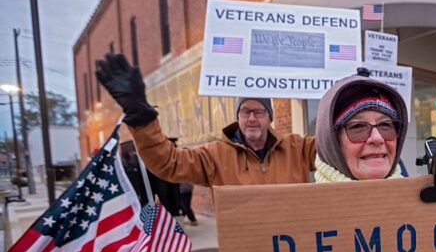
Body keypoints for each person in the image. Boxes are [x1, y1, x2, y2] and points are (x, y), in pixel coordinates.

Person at [95, 53, 316, 188]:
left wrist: (350, 95)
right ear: (237, 117)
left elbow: (337, 147)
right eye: (245, 111)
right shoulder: (215, 156)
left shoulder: (297, 148)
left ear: (269, 118)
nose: (251, 118)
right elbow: (168, 163)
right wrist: (142, 119)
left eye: (259, 112)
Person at [313, 71, 408, 182]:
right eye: (358, 126)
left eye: (385, 124)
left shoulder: (419, 196)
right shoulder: (304, 199)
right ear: (332, 143)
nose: (377, 138)